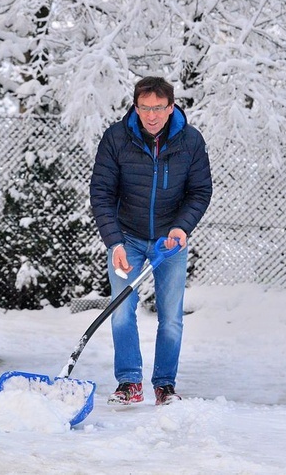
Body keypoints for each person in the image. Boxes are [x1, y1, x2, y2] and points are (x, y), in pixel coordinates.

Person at [89, 76, 213, 406]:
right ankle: (129, 383)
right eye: (145, 108)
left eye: (159, 108)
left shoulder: (190, 142)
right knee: (121, 312)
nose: (152, 115)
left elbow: (200, 191)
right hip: (126, 238)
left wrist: (181, 228)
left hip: (169, 242)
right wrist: (114, 242)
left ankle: (164, 386)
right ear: (136, 107)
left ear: (171, 108)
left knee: (170, 317)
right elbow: (101, 194)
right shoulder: (117, 139)